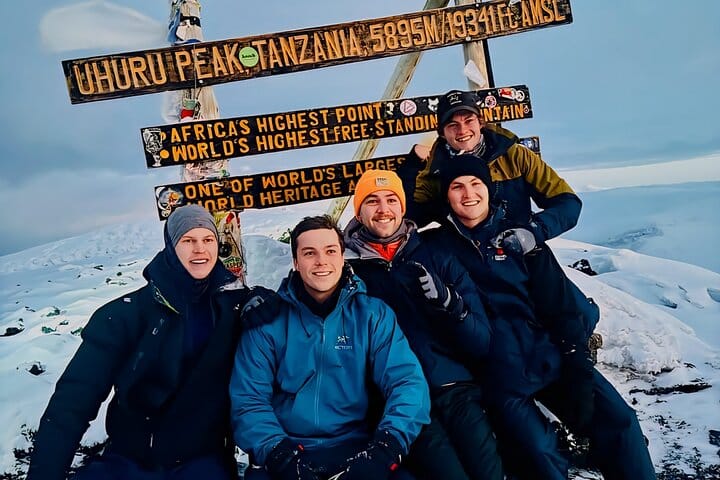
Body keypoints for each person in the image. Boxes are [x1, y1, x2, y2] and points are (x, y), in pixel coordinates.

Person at [421, 156, 656, 479]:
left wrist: (576, 364)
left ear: (489, 189)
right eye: (457, 186)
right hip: (499, 374)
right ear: (446, 196)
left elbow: (560, 304)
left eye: (476, 184)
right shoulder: (436, 248)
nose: (468, 193)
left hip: (549, 356)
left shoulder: (519, 238)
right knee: (540, 452)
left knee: (621, 422)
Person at [27, 204, 273, 480]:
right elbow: (72, 402)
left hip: (203, 460)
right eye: (188, 240)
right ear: (171, 246)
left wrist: (265, 299)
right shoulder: (124, 316)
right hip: (130, 460)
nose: (200, 249)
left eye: (208, 239)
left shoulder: (234, 309)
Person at [398, 88, 600, 362]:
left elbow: (567, 203)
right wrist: (412, 164)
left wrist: (533, 232)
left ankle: (580, 349)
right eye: (452, 124)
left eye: (468, 120)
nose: (462, 130)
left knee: (575, 316)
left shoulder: (515, 156)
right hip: (471, 266)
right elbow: (409, 215)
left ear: (481, 122)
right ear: (441, 132)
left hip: (522, 256)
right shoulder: (434, 171)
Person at [230, 215, 430, 480]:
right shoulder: (268, 322)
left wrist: (387, 447)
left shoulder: (371, 315)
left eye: (330, 251)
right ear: (296, 262)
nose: (321, 261)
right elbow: (249, 399)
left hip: (356, 446)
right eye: (309, 253)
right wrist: (280, 454)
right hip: (287, 449)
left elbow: (407, 382)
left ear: (342, 257)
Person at [343, 169, 503, 480]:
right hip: (398, 399)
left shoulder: (436, 254)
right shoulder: (346, 269)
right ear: (359, 213)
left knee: (490, 474)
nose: (383, 209)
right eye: (372, 201)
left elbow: (482, 340)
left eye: (391, 199)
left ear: (403, 207)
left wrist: (451, 305)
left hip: (453, 387)